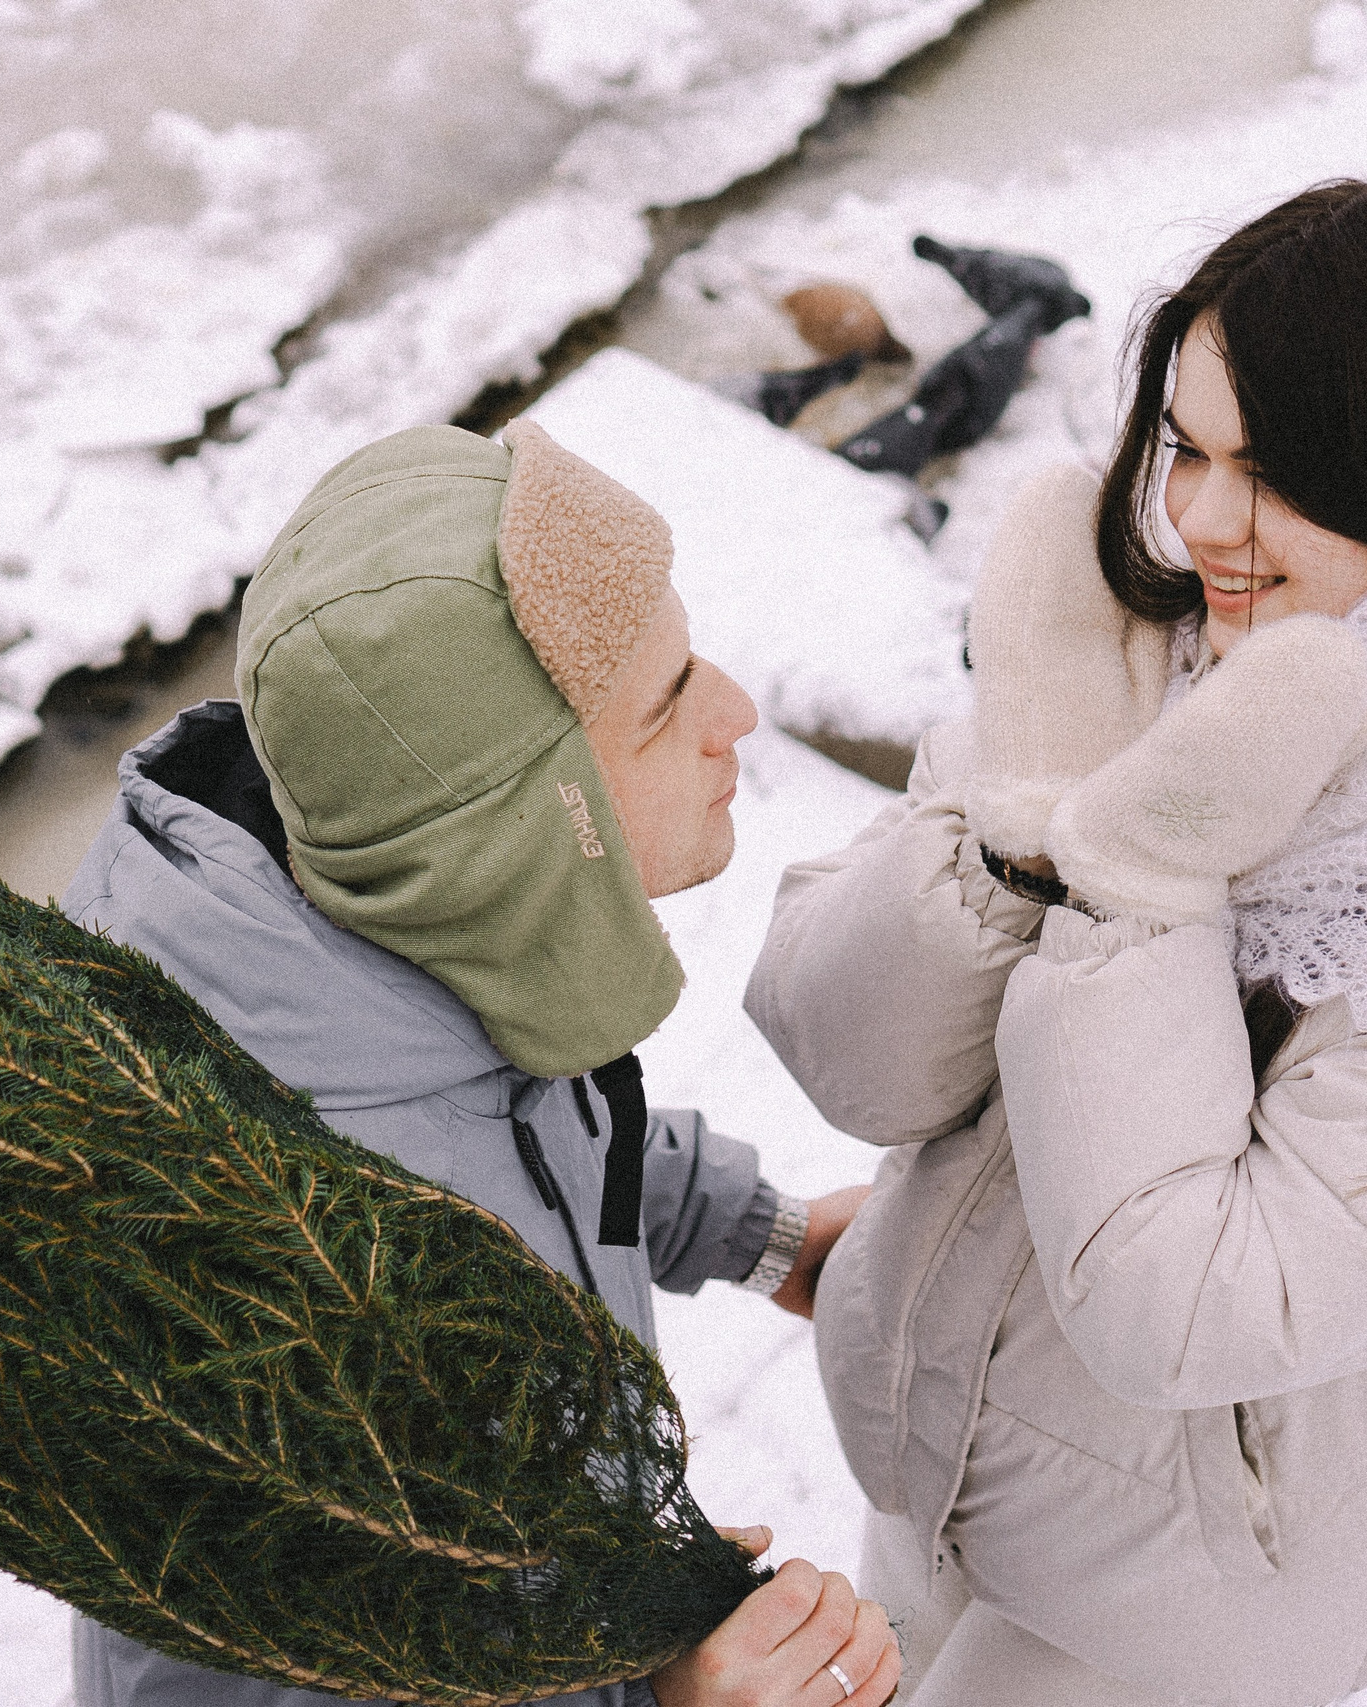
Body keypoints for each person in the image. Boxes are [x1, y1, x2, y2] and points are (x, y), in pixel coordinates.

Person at [745, 175, 1367, 1706]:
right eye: (1186, 450)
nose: (1203, 523)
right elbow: (843, 1053)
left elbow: (1194, 1307)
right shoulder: (1158, 644)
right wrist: (1026, 826)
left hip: (1173, 1617)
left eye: (1269, 470)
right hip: (939, 1463)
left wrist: (1133, 883)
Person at [60, 416, 894, 1707]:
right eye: (668, 705)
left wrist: (762, 1233)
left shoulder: (400, 920)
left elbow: (541, 1131)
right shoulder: (264, 1284)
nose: (736, 713)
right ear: (527, 833)